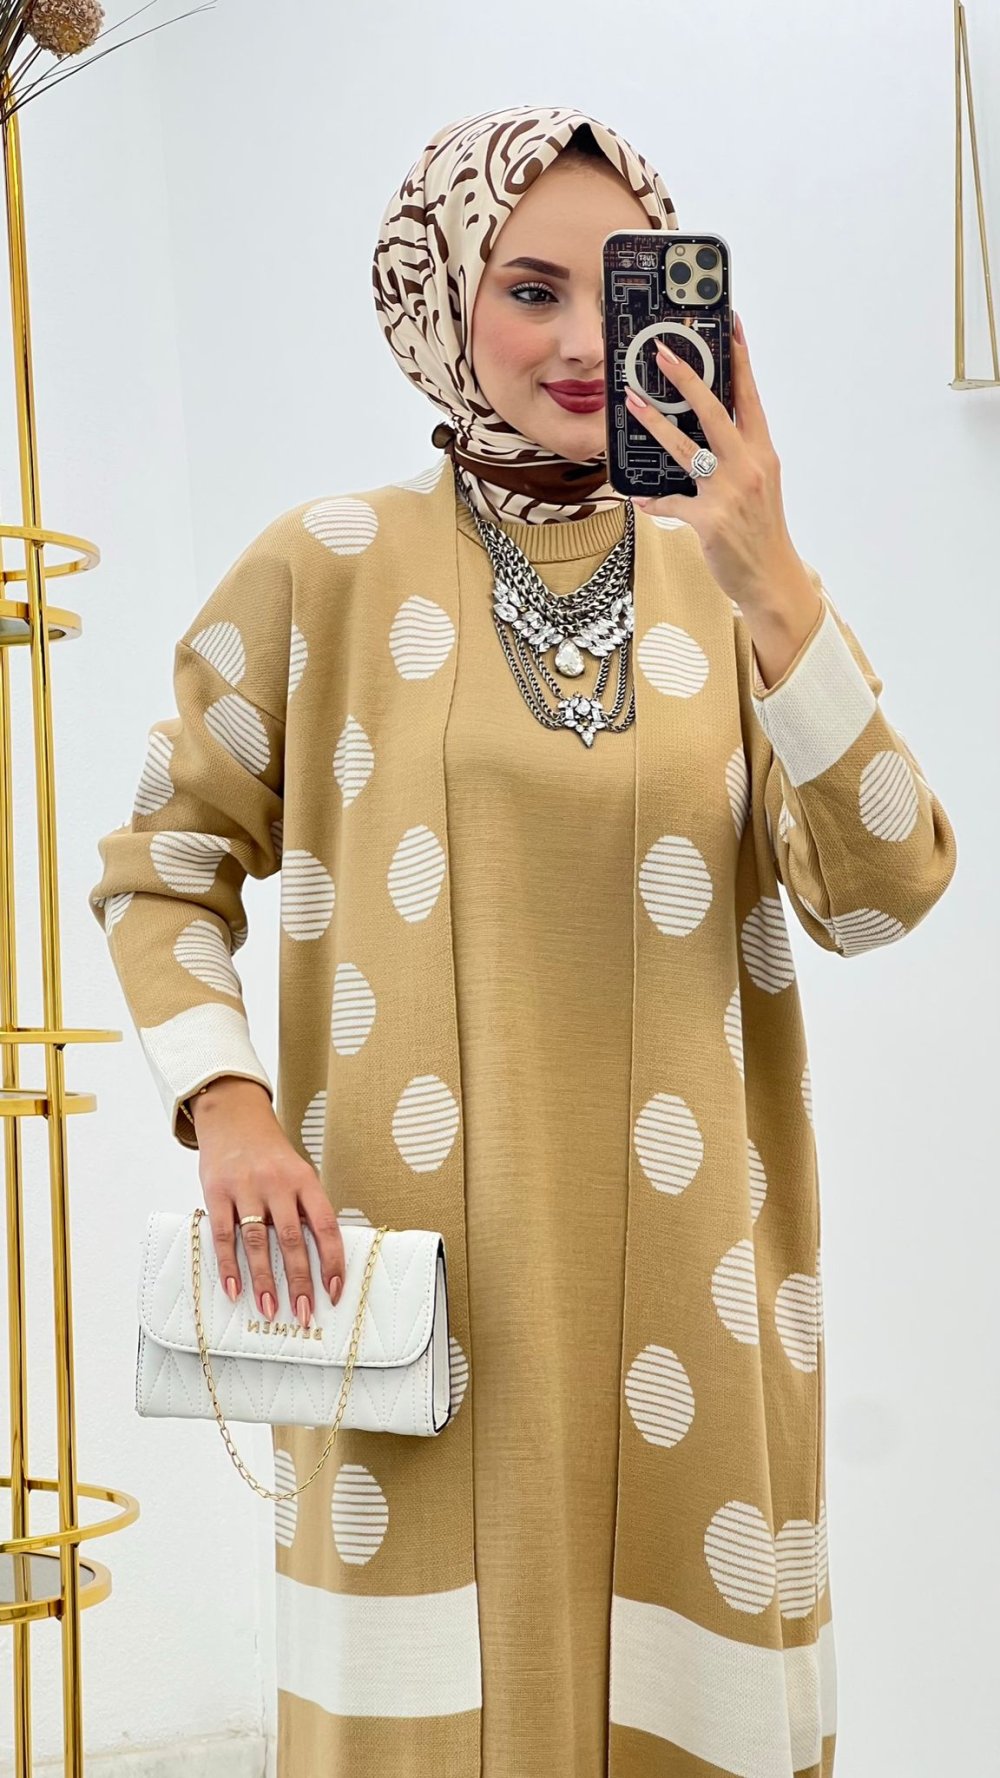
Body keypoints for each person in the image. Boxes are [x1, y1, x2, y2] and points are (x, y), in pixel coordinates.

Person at [88, 104, 957, 1778]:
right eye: (530, 288)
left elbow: (883, 884)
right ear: (441, 298)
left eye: (616, 292)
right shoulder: (324, 568)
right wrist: (229, 1106)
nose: (576, 343)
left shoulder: (728, 586)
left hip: (691, 1295)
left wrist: (770, 567)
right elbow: (161, 861)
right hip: (417, 1289)